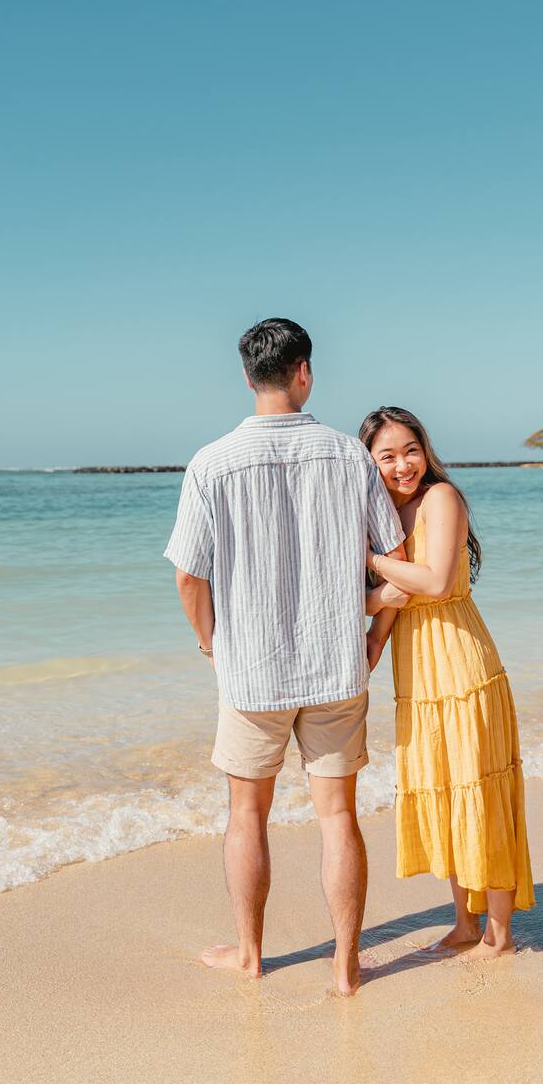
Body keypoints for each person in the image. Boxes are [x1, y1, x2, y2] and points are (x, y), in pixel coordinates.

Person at [166, 319, 405, 994]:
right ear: (305, 372)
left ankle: (250, 954)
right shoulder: (346, 455)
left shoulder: (210, 462)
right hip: (337, 665)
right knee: (338, 817)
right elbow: (393, 560)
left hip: (253, 672)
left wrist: (211, 643)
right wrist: (373, 641)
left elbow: (189, 575)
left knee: (247, 814)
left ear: (247, 378)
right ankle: (346, 966)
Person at [361, 406, 535, 959]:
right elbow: (390, 600)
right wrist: (371, 639)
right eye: (386, 456)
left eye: (410, 449)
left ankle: (499, 933)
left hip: (460, 662)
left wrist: (369, 561)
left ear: (425, 448)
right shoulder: (387, 513)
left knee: (480, 789)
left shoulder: (441, 498)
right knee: (446, 788)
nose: (402, 464)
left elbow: (433, 582)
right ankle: (464, 923)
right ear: (369, 463)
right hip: (417, 670)